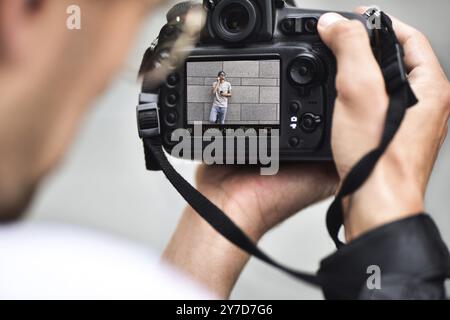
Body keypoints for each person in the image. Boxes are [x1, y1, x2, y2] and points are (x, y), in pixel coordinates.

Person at [0, 0, 448, 299]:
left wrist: (226, 211)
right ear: (20, 13)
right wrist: (385, 199)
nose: (111, 71)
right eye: (127, 23)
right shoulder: (52, 275)